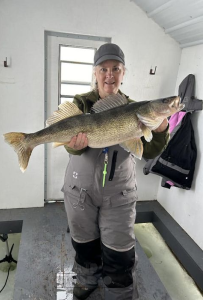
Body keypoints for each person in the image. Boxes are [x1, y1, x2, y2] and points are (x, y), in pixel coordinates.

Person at [62, 43, 169, 300]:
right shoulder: (81, 105)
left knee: (119, 249)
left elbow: (150, 151)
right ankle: (87, 278)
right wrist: (73, 147)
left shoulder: (136, 109)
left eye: (116, 69)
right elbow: (72, 148)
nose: (109, 74)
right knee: (84, 241)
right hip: (80, 190)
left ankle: (118, 291)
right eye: (104, 69)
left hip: (119, 192)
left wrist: (161, 129)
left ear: (123, 73)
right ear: (95, 73)